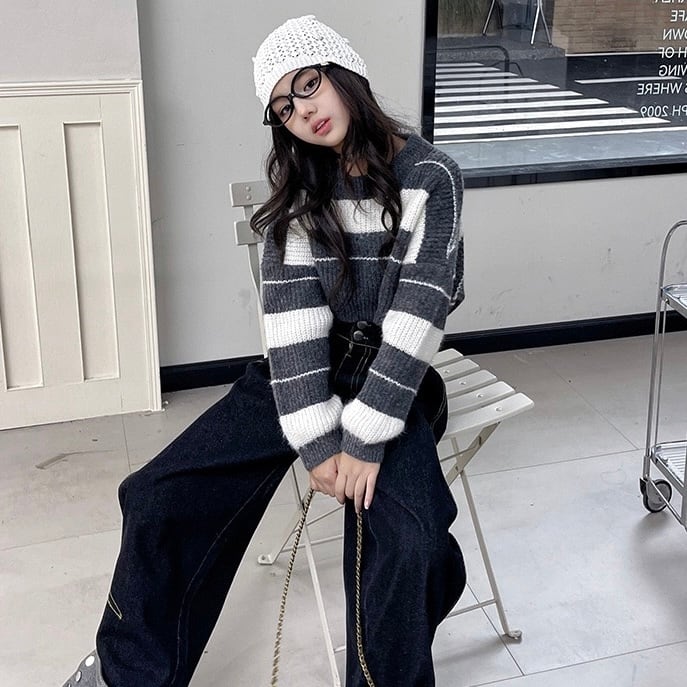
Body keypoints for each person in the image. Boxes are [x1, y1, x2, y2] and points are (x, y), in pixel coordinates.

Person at [61, 14, 466, 687]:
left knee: (408, 548)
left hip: (394, 377)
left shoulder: (431, 176)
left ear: (343, 73)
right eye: (282, 106)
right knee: (156, 494)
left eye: (307, 85)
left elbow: (418, 314)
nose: (301, 111)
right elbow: (292, 321)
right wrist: (318, 441)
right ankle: (125, 676)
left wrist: (363, 440)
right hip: (304, 370)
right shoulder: (303, 188)